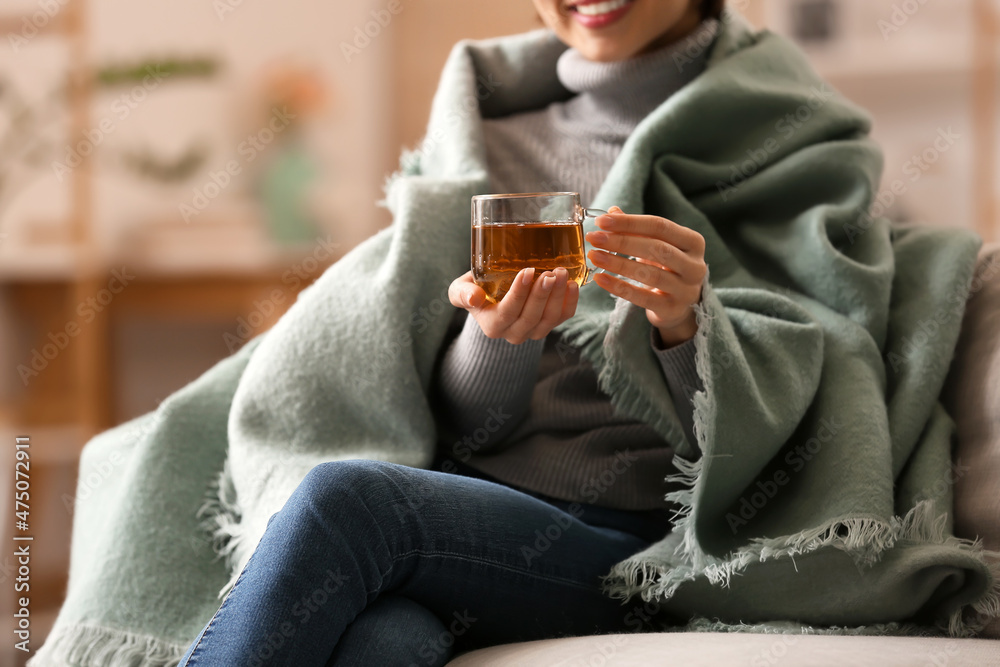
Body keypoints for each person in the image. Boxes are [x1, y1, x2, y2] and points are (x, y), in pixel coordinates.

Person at [177, 0, 979, 664]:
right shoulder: (483, 140)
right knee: (384, 643)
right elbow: (451, 416)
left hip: (644, 546)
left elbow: (829, 356)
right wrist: (497, 340)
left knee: (346, 501)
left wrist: (688, 329)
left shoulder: (792, 141)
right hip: (470, 511)